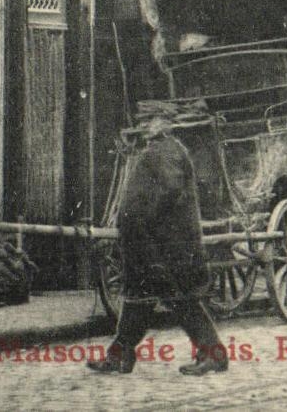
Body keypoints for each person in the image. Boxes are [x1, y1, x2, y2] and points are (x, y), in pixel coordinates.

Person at [87, 102, 227, 377]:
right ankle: (120, 356)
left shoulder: (164, 151)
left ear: (164, 122)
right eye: (143, 120)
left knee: (182, 300)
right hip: (149, 245)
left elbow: (170, 190)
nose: (144, 125)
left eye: (150, 120)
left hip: (165, 246)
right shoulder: (160, 150)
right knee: (137, 300)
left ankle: (214, 356)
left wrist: (143, 219)